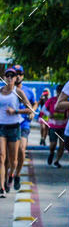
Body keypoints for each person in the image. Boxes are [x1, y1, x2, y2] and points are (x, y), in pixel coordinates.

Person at [0, 67, 35, 198]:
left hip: (15, 126)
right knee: (2, 157)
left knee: (14, 160)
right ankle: (2, 187)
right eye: (7, 76)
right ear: (4, 78)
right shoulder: (0, 91)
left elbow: (30, 108)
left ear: (16, 79)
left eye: (12, 76)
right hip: (1, 127)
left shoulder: (18, 92)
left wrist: (15, 112)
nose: (10, 78)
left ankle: (12, 175)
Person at [13, 64, 37, 191]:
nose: (17, 76)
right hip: (8, 125)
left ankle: (17, 174)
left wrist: (32, 111)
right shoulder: (5, 90)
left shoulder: (28, 91)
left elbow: (34, 103)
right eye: (14, 73)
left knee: (22, 150)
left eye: (20, 74)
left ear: (23, 75)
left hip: (24, 124)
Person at [40, 85, 68, 167]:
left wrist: (67, 118)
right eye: (59, 93)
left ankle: (57, 161)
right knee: (53, 144)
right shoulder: (51, 100)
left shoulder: (67, 102)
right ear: (57, 92)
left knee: (62, 145)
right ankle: (51, 153)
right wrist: (49, 115)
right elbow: (43, 109)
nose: (60, 95)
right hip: (53, 126)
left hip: (63, 127)